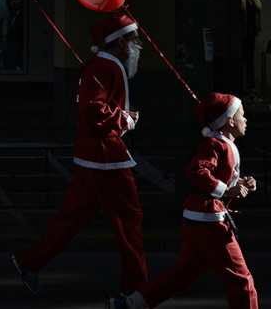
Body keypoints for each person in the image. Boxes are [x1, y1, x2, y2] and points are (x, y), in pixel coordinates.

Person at [12, 13, 147, 299]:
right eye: (135, 39)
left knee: (73, 216)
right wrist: (125, 120)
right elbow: (91, 110)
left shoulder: (99, 64)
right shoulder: (107, 66)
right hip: (106, 156)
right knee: (129, 218)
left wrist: (121, 118)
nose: (139, 44)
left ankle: (29, 262)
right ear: (120, 41)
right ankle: (135, 287)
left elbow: (91, 109)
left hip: (92, 154)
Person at [107, 93, 258, 308]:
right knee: (242, 281)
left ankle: (130, 304)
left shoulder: (222, 144)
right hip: (210, 223)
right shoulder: (217, 145)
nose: (246, 120)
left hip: (196, 220)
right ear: (230, 120)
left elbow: (216, 176)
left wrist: (241, 183)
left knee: (183, 275)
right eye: (243, 116)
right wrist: (228, 191)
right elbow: (195, 171)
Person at [241, 0, 261, 97]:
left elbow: (258, 6)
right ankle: (245, 87)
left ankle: (250, 88)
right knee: (244, 60)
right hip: (244, 34)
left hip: (249, 33)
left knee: (249, 60)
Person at [3, 0, 25, 70]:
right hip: (10, 61)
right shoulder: (10, 17)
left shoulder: (24, 18)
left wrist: (20, 65)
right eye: (10, 0)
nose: (13, 2)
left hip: (19, 62)